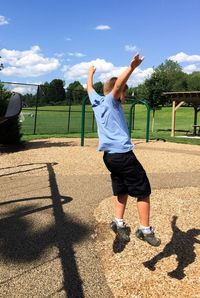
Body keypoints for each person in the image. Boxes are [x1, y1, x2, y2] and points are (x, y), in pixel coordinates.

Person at [87, 53, 160, 246]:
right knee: (143, 190)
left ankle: (118, 222)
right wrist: (132, 67)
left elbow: (89, 88)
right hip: (123, 155)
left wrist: (90, 73)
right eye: (124, 93)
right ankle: (145, 229)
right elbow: (118, 85)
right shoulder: (112, 102)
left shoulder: (96, 102)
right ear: (115, 92)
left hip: (109, 157)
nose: (124, 96)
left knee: (122, 188)